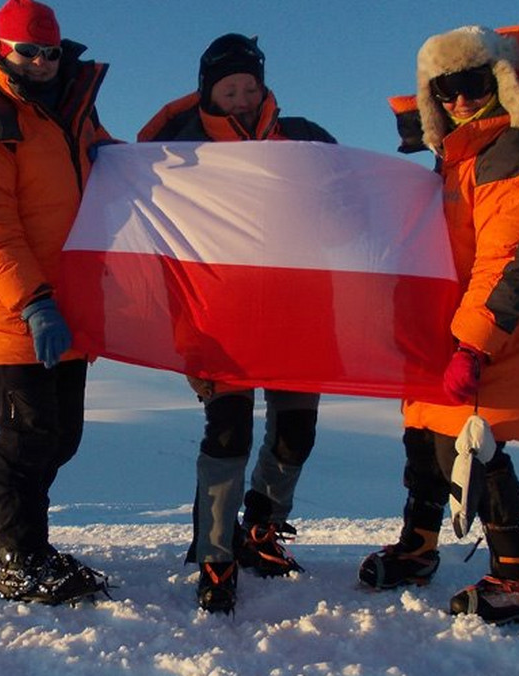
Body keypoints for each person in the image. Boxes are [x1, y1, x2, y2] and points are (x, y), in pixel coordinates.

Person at [359, 24, 519, 625]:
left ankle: (518, 578)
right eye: (445, 88)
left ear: (504, 82)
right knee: (426, 447)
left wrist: (474, 345)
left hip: (498, 337)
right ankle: (419, 548)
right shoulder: (463, 157)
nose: (459, 98)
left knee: (475, 456)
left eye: (473, 82)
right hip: (453, 336)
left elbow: (514, 263)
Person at [137, 33, 337, 614]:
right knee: (228, 433)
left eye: (251, 86)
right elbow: (158, 241)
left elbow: (352, 202)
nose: (244, 98)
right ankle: (216, 558)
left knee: (296, 431)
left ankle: (261, 530)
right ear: (209, 92)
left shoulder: (303, 139)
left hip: (298, 311)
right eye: (230, 89)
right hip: (218, 318)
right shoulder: (181, 155)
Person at [0, 0, 114, 605]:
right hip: (12, 310)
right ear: (1, 49)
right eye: (26, 52)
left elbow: (113, 169)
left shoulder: (72, 110)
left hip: (72, 305)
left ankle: (20, 541)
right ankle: (19, 553)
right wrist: (34, 302)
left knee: (63, 438)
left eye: (49, 53)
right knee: (28, 436)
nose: (38, 63)